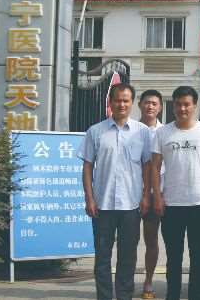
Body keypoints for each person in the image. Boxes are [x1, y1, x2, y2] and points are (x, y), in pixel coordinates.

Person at [80, 83, 152, 300]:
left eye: (126, 100)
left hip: (131, 205)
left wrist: (146, 196)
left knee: (128, 257)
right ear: (110, 102)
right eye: (117, 100)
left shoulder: (142, 132)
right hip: (102, 205)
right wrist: (89, 198)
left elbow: (147, 166)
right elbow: (87, 166)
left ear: (132, 103)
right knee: (102, 257)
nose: (121, 104)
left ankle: (124, 296)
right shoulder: (95, 131)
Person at [151, 86, 200, 300]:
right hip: (171, 204)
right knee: (173, 256)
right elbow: (155, 166)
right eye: (178, 104)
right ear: (173, 106)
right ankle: (172, 295)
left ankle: (196, 295)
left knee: (198, 256)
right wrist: (157, 196)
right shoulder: (162, 132)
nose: (182, 108)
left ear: (194, 106)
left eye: (187, 104)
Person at [137, 89, 163, 300]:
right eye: (147, 102)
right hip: (131, 192)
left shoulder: (165, 132)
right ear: (139, 105)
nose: (150, 106)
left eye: (154, 103)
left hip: (158, 194)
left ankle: (148, 280)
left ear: (160, 107)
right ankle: (125, 281)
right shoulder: (131, 130)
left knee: (151, 239)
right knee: (129, 241)